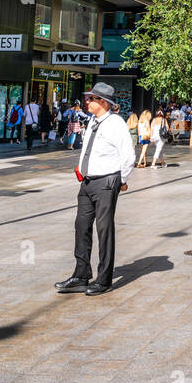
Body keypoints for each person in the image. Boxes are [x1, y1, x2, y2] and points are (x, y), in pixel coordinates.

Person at [54, 84, 134, 297]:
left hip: (106, 182)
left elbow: (128, 156)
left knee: (104, 229)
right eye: (88, 98)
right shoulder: (92, 122)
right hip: (87, 182)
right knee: (81, 226)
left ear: (104, 103)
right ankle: (81, 275)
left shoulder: (116, 123)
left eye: (92, 99)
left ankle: (104, 279)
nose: (87, 102)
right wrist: (82, 169)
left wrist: (121, 180)